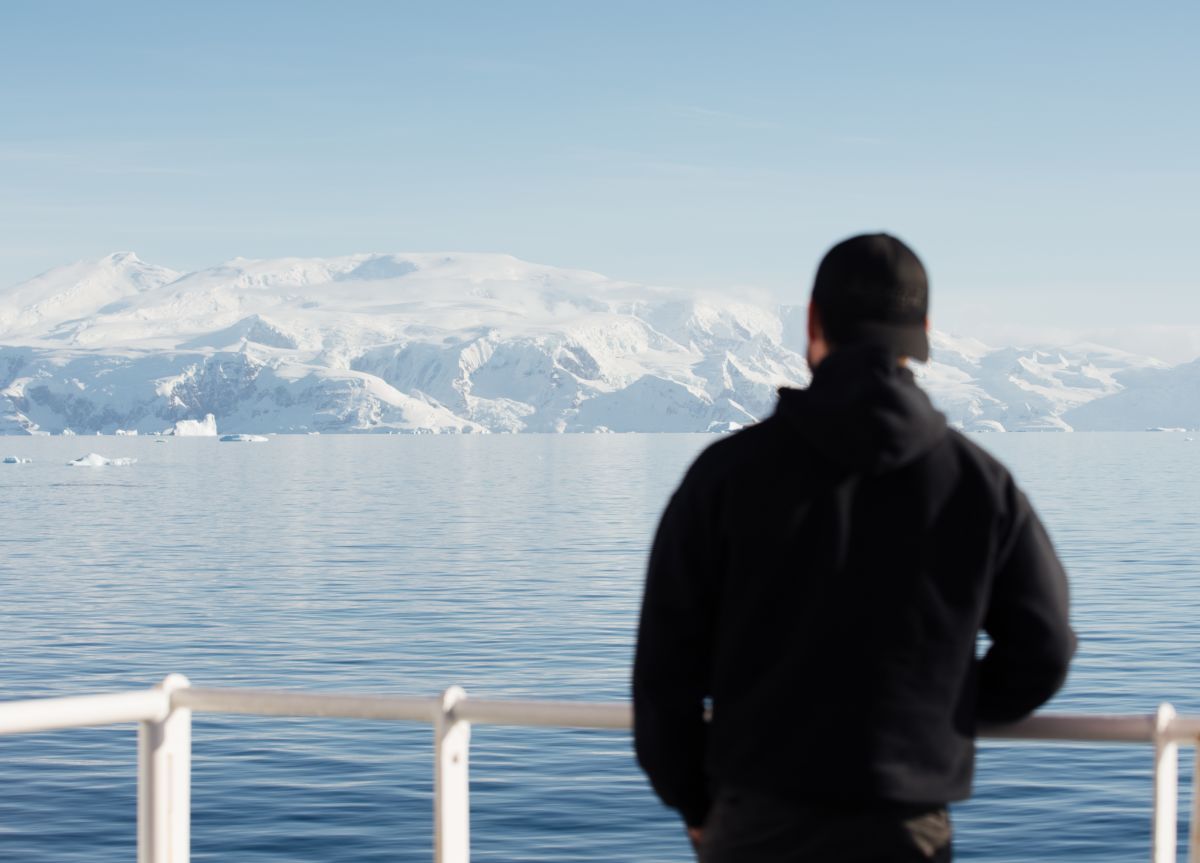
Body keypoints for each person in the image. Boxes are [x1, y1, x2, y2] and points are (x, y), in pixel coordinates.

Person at [632, 233, 1075, 862]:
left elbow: (663, 673)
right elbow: (1045, 649)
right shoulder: (980, 484)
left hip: (754, 821)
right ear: (922, 331)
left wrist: (694, 801)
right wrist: (936, 714)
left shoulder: (726, 476)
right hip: (907, 831)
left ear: (812, 321)